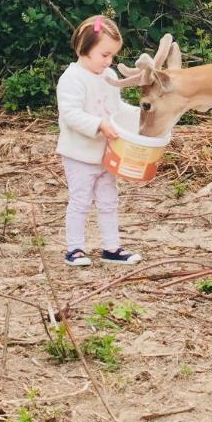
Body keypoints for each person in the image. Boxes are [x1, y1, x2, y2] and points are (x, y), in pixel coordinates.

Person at [56, 15, 142, 267]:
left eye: (112, 56)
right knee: (81, 200)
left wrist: (142, 115)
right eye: (104, 54)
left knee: (108, 200)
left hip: (106, 155)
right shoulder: (72, 78)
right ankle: (74, 248)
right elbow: (71, 114)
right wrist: (99, 125)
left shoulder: (108, 76)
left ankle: (111, 247)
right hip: (80, 155)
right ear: (84, 47)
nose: (109, 61)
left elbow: (116, 108)